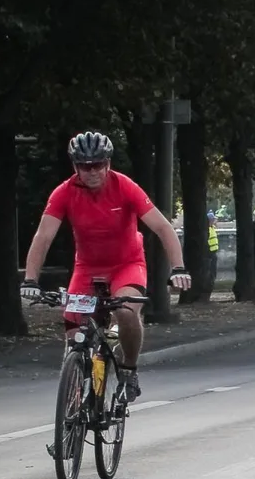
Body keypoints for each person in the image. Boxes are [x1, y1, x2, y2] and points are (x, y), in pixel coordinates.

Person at [20, 131, 192, 403]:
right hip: (87, 268)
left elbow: (161, 227)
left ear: (108, 163)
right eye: (85, 166)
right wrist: (30, 280)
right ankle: (72, 406)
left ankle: (129, 370)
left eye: (98, 164)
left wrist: (178, 267)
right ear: (75, 166)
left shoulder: (125, 186)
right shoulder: (63, 192)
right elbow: (43, 237)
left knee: (125, 313)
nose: (92, 172)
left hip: (127, 264)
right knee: (73, 333)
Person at [205, 210, 220, 297]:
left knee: (213, 271)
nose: (214, 221)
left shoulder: (212, 228)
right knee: (210, 271)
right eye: (213, 219)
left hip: (213, 253)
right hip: (209, 253)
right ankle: (210, 283)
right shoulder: (207, 230)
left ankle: (212, 282)